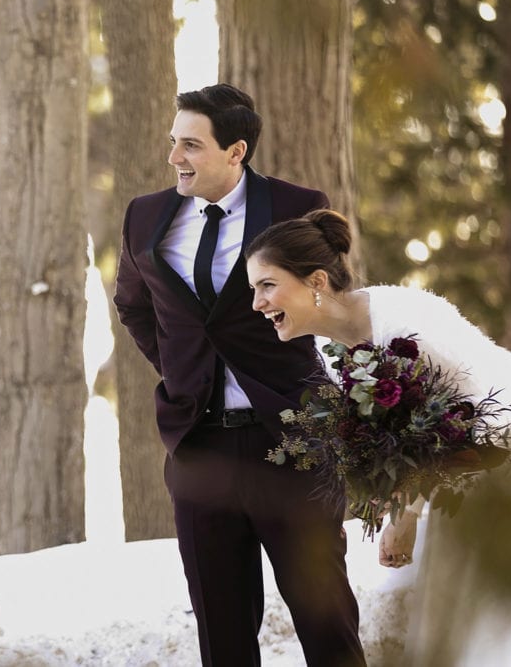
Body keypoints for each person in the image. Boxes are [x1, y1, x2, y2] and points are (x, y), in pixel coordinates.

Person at [244, 208, 511, 665]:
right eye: (254, 290)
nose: (257, 303)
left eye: (266, 285)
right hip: (466, 475)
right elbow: (407, 441)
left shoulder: (404, 326)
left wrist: (405, 518)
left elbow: (473, 422)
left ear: (316, 281)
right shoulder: (331, 349)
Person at [113, 84, 367, 666]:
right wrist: (183, 371)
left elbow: (329, 304)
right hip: (198, 445)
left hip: (293, 441)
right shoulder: (144, 217)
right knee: (222, 639)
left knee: (327, 623)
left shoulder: (296, 206)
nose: (175, 157)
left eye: (191, 145)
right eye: (173, 142)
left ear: (237, 152)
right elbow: (133, 305)